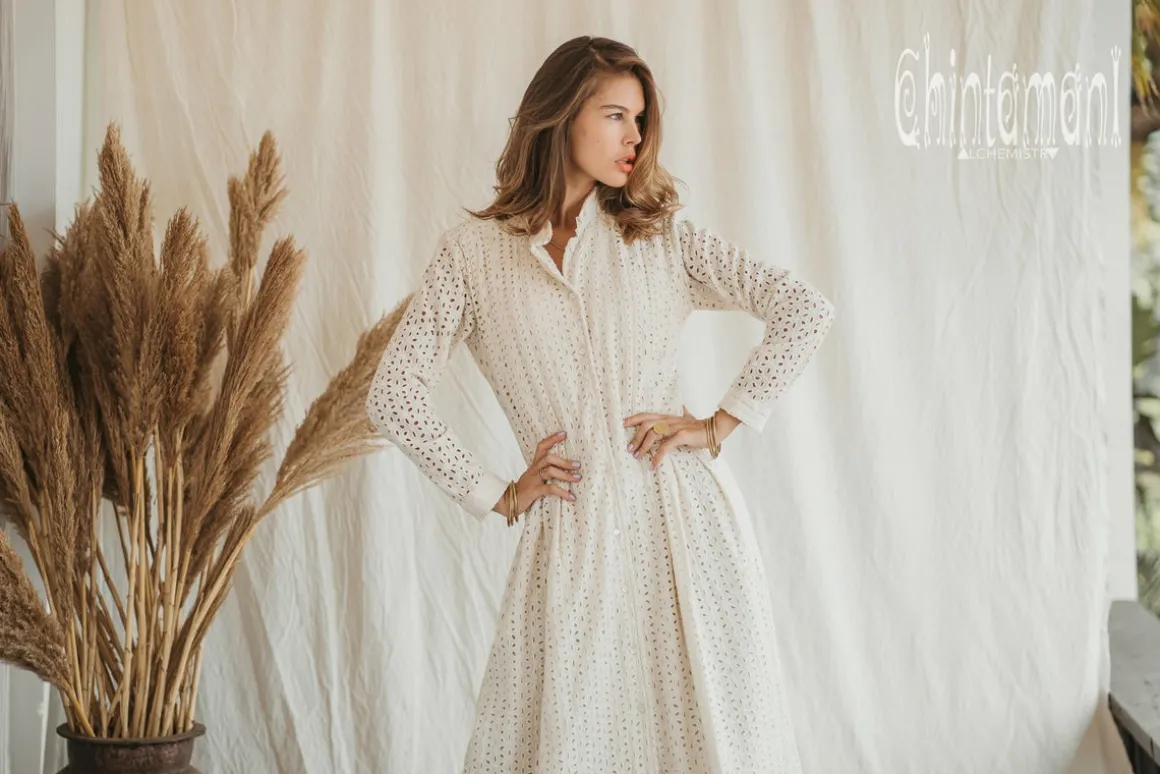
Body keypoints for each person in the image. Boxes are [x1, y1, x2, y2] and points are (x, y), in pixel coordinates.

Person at [366, 35, 834, 774]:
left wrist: (716, 425)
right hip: (572, 538)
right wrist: (496, 493)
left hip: (683, 531)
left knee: (704, 740)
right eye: (616, 115)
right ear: (559, 116)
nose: (635, 137)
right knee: (572, 742)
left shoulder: (660, 238)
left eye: (640, 119)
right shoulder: (472, 256)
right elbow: (393, 394)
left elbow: (803, 307)